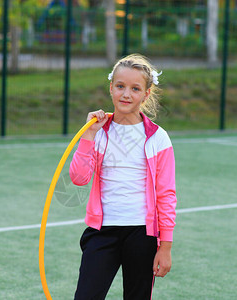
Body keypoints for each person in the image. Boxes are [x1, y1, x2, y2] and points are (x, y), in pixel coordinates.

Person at [69, 54, 177, 300]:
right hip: (102, 232)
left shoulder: (158, 138)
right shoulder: (97, 131)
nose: (126, 94)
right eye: (120, 86)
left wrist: (166, 247)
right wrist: (87, 137)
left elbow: (167, 195)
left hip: (142, 235)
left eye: (135, 88)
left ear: (146, 94)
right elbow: (78, 178)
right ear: (111, 88)